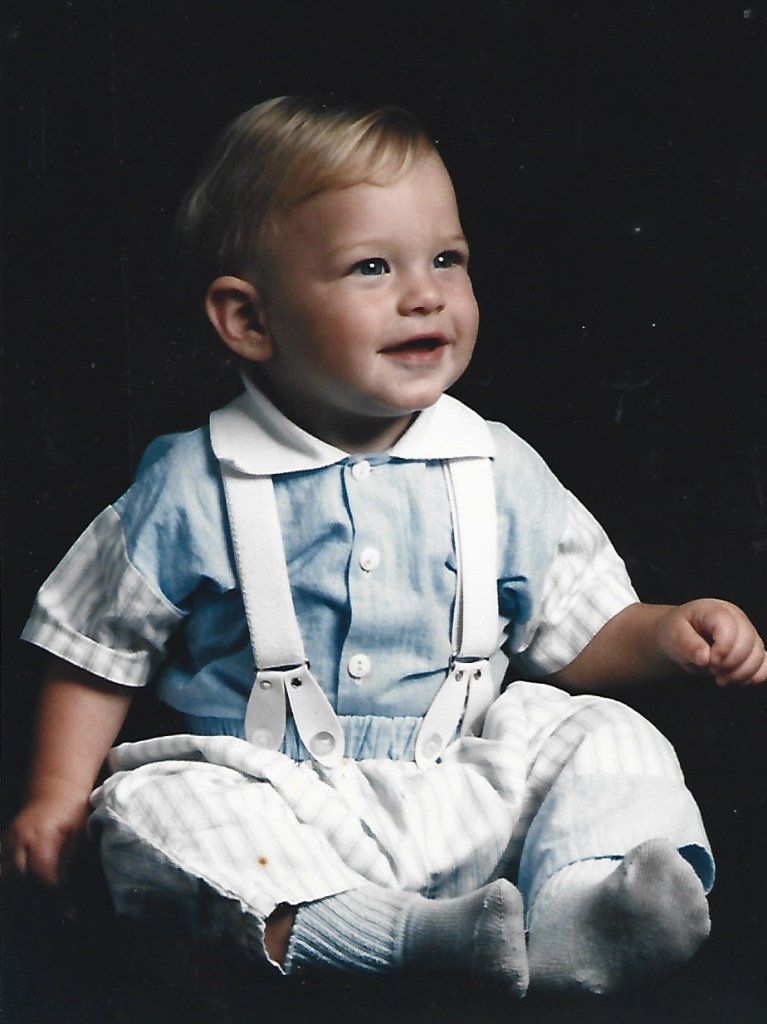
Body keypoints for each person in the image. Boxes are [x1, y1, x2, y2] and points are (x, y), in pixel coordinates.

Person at [7, 96, 766, 998]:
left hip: (467, 786)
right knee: (147, 809)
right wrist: (56, 792)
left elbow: (579, 627)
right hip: (276, 812)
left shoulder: (497, 466)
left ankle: (580, 915)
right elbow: (95, 644)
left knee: (605, 735)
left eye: (447, 259)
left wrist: (668, 631)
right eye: (372, 266)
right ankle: (405, 940)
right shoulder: (192, 481)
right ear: (249, 320)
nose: (425, 293)